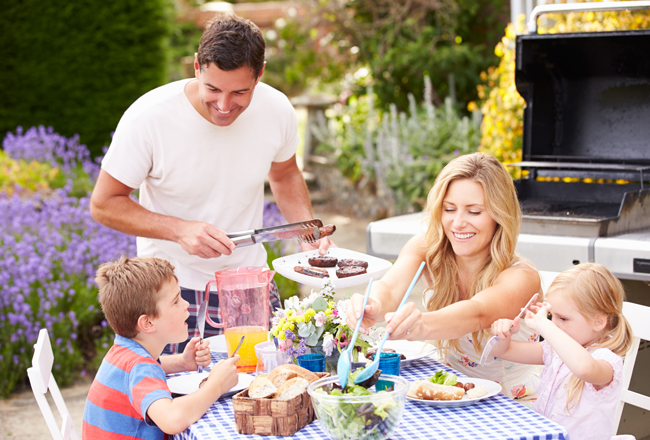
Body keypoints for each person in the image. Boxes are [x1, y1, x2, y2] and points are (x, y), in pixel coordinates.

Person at [89, 13, 333, 354]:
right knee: (178, 402)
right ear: (196, 67)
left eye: (240, 92)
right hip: (169, 293)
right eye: (213, 88)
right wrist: (179, 230)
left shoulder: (277, 110)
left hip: (250, 283)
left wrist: (307, 233)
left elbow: (285, 172)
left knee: (264, 394)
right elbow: (103, 203)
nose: (223, 105)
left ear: (259, 73)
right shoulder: (149, 118)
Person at [347, 152, 543, 401]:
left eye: (474, 212)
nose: (458, 223)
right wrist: (370, 304)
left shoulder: (522, 276)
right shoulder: (428, 247)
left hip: (513, 402)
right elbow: (391, 287)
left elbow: (477, 312)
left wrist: (421, 326)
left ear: (500, 215)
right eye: (449, 209)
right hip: (450, 391)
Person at [83, 256, 240, 439]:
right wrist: (216, 385)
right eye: (176, 301)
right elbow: (172, 419)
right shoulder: (140, 367)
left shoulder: (124, 353)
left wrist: (182, 362)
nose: (186, 304)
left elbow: (144, 370)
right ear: (148, 323)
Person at [489, 263, 633, 440]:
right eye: (552, 316)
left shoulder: (607, 362)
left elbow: (584, 368)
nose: (554, 324)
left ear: (598, 322)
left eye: (563, 318)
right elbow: (504, 352)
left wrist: (545, 325)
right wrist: (504, 334)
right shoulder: (554, 350)